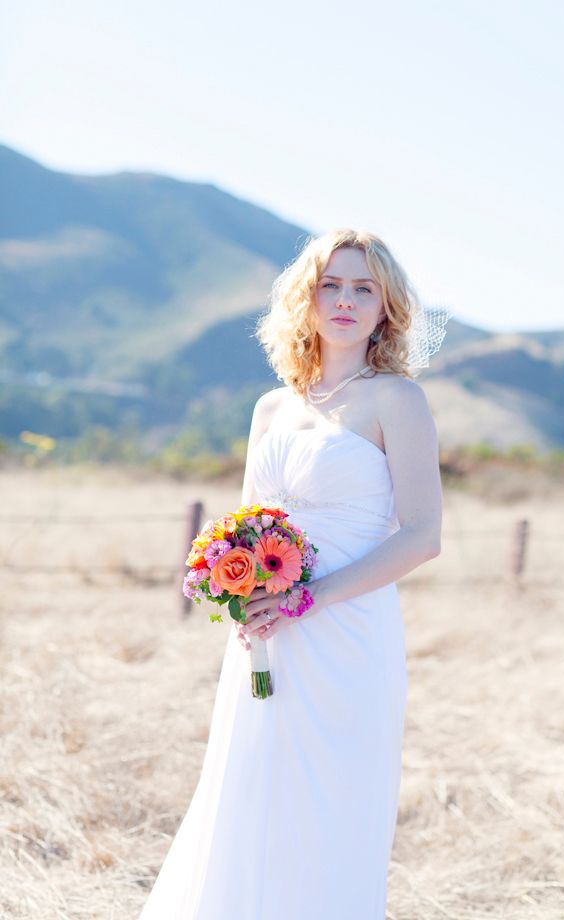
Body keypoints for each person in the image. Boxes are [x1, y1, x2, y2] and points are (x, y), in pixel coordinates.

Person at [138, 228, 450, 920]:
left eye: (362, 288)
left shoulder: (396, 401)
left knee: (329, 802)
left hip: (347, 632)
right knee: (250, 792)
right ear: (304, 299)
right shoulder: (272, 407)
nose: (344, 300)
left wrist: (312, 597)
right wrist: (239, 589)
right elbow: (249, 524)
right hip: (265, 632)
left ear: (386, 307)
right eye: (329, 285)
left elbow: (423, 535)